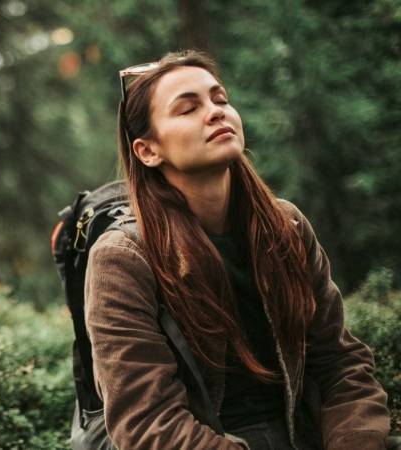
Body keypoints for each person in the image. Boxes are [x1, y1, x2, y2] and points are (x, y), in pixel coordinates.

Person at [84, 50, 391, 450]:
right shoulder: (123, 260)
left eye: (220, 99)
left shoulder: (287, 227)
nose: (215, 112)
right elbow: (147, 423)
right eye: (188, 109)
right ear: (147, 151)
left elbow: (341, 366)